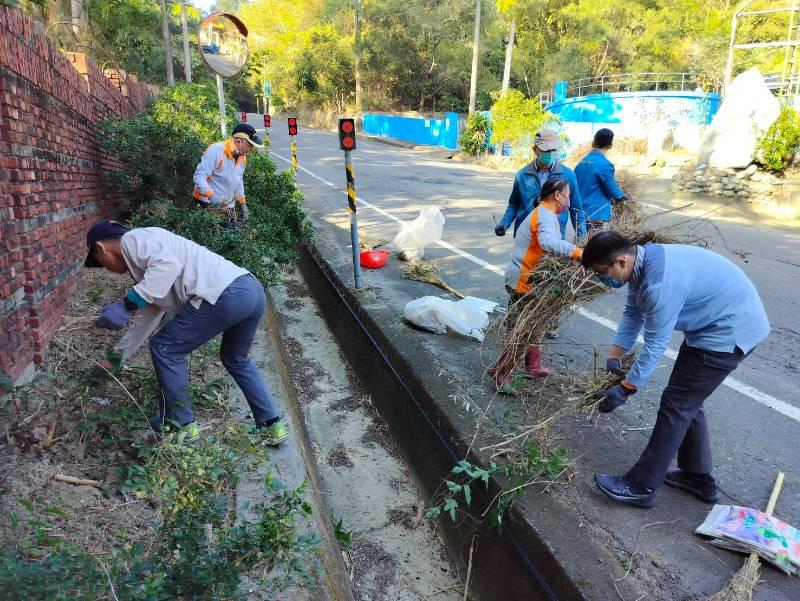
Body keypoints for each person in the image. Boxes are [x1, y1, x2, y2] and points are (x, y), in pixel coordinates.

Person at [582, 232, 769, 508]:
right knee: (688, 400)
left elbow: (655, 345)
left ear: (621, 261)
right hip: (718, 327)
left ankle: (641, 486)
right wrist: (614, 356)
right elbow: (633, 313)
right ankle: (698, 477)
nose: (603, 280)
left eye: (602, 272)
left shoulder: (660, 284)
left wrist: (627, 388)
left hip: (728, 333)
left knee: (677, 404)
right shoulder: (642, 262)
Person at [85, 220, 287, 445]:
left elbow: (166, 266)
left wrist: (126, 304)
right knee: (236, 359)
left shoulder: (134, 240)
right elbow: (146, 318)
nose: (107, 269)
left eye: (101, 264)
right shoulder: (149, 266)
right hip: (251, 291)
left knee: (166, 349)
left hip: (225, 294)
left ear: (101, 248)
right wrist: (116, 358)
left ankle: (182, 425)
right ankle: (272, 426)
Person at [490, 179, 583, 394]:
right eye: (567, 195)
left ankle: (533, 365)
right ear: (557, 195)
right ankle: (500, 372)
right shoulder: (544, 216)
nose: (569, 199)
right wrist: (578, 253)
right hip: (522, 281)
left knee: (536, 324)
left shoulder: (545, 213)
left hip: (527, 279)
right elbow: (548, 242)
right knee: (521, 329)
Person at [495, 128, 587, 241]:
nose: (550, 153)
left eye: (553, 149)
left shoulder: (568, 176)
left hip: (553, 241)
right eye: (546, 150)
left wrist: (582, 239)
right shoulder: (522, 175)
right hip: (525, 239)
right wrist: (504, 224)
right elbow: (514, 204)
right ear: (535, 150)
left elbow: (576, 210)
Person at [192, 123, 263, 224]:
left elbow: (238, 181)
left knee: (233, 234)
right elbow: (199, 176)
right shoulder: (216, 151)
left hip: (227, 205)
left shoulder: (242, 157)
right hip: (205, 202)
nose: (251, 149)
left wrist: (242, 203)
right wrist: (212, 196)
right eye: (250, 145)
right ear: (238, 141)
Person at [574, 128, 627, 232]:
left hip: (579, 213)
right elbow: (613, 191)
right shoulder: (605, 164)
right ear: (610, 145)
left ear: (593, 142)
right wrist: (624, 196)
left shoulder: (581, 162)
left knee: (581, 244)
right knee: (595, 246)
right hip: (595, 215)